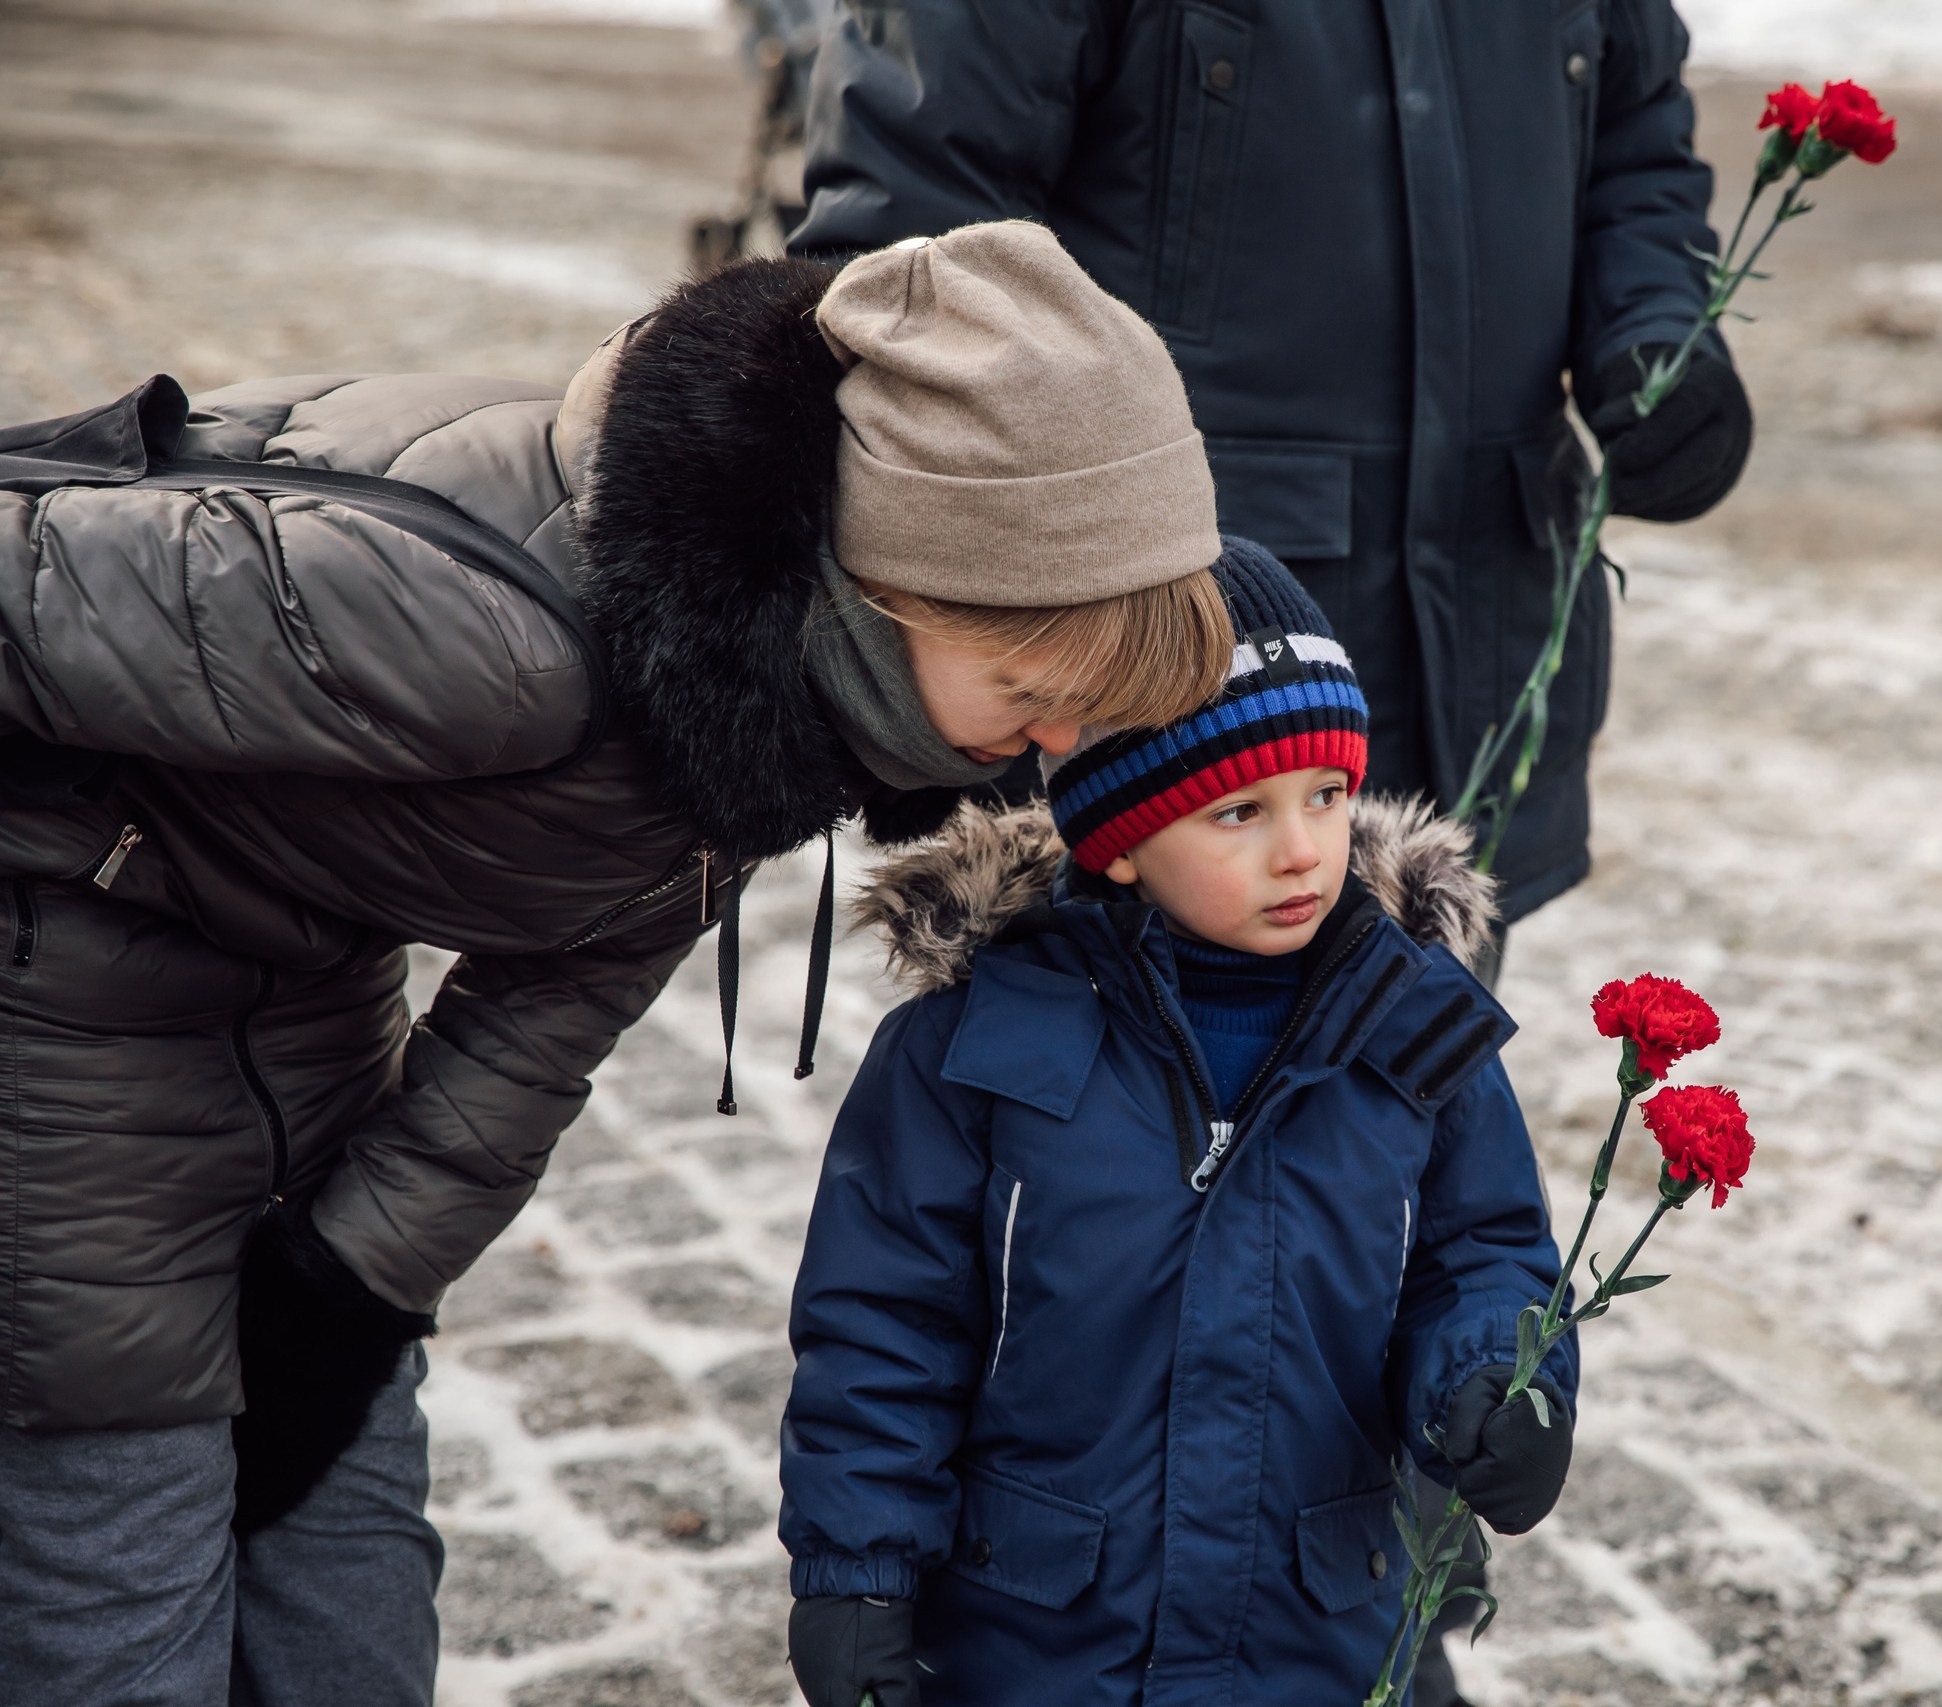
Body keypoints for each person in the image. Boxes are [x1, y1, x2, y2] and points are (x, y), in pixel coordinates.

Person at [0, 221, 1238, 1707]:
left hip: (296, 980)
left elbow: (545, 1012)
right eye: (1038, 693)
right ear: (895, 583)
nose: (1051, 752)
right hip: (60, 999)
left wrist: (349, 1290)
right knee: (124, 1567)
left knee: (344, 1556)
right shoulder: (495, 640)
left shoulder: (776, 708)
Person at [779, 545, 1578, 1707]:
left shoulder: (1412, 1032)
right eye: (1237, 811)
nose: (1303, 849)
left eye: (1326, 794)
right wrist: (855, 1570)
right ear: (1120, 838)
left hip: (1313, 1630)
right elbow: (883, 1321)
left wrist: (1498, 1384)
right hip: (1038, 1637)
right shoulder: (976, 1045)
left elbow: (1485, 1255)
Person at [791, 0, 1754, 928]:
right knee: (1083, 1077)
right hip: (1151, 685)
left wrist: (1657, 334)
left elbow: (1637, 142)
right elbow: (910, 252)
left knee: (1413, 1064)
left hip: (1484, 627)